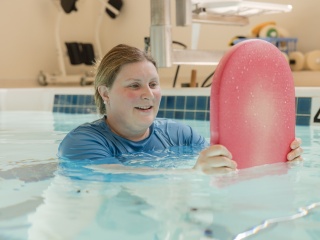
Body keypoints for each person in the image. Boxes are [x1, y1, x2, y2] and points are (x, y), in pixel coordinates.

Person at [58, 44, 303, 175]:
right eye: (134, 85)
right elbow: (120, 179)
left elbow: (228, 164)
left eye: (153, 84)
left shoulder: (179, 135)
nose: (148, 93)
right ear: (105, 93)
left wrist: (281, 159)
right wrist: (193, 173)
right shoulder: (82, 142)